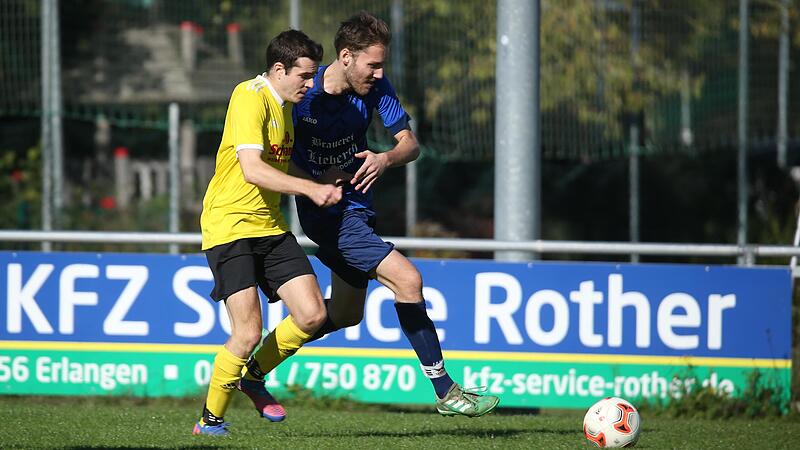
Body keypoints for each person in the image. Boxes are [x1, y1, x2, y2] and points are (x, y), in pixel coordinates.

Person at [242, 11, 499, 418]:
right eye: (373, 65)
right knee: (408, 280)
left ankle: (253, 372)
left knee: (344, 314)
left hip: (359, 209)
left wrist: (385, 158)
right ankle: (446, 391)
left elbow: (410, 144)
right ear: (346, 56)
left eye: (382, 65)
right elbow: (276, 156)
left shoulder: (376, 87)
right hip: (329, 215)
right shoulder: (303, 92)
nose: (379, 73)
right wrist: (316, 181)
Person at [193, 29, 342, 436]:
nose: (310, 84)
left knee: (312, 314)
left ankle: (253, 377)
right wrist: (311, 189)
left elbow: (277, 164)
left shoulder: (285, 107)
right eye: (304, 75)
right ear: (279, 69)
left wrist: (321, 177)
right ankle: (210, 422)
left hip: (269, 226)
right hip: (230, 225)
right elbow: (252, 169)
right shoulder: (249, 96)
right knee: (246, 332)